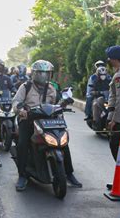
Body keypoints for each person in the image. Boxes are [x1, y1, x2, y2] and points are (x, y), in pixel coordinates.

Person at [12, 60, 82, 191]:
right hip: (29, 118)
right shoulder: (25, 86)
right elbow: (16, 101)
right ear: (34, 74)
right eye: (40, 73)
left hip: (49, 119)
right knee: (22, 143)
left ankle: (69, 173)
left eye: (46, 74)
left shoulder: (52, 88)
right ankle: (22, 175)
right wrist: (20, 110)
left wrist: (65, 102)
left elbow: (57, 103)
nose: (43, 76)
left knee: (63, 142)